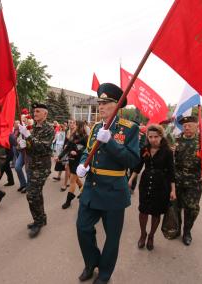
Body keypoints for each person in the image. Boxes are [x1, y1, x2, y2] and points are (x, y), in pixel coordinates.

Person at [75, 83, 140, 284]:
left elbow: (132, 161)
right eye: (99, 102)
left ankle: (104, 274)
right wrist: (81, 165)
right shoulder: (95, 127)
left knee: (112, 239)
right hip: (92, 189)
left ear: (117, 105)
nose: (101, 106)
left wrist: (110, 142)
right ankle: (91, 262)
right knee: (83, 228)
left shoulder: (130, 129)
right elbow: (88, 151)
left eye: (106, 103)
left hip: (113, 192)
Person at [129, 124, 176, 250]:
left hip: (161, 185)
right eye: (150, 137)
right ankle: (143, 234)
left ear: (161, 136)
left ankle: (151, 236)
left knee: (156, 213)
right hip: (145, 184)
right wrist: (131, 179)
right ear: (147, 137)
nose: (153, 139)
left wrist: (173, 190)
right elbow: (138, 166)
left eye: (156, 136)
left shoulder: (167, 151)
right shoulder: (145, 149)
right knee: (143, 211)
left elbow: (172, 172)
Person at [174, 116, 202, 246]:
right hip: (177, 180)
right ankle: (177, 228)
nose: (187, 127)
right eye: (184, 126)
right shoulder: (176, 140)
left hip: (194, 181)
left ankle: (187, 231)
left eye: (190, 125)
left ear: (197, 126)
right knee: (176, 207)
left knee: (192, 209)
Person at [18, 102, 55, 238]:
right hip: (32, 165)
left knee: (31, 195)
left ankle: (38, 222)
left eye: (38, 111)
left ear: (45, 114)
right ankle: (41, 218)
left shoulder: (49, 129)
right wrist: (23, 144)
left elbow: (42, 147)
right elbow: (31, 146)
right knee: (36, 194)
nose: (35, 113)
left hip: (42, 167)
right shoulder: (33, 128)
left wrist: (28, 136)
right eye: (34, 111)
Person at [57, 120, 87, 209]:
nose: (73, 125)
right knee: (73, 177)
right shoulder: (73, 135)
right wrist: (59, 157)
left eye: (75, 124)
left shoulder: (85, 137)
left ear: (80, 126)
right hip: (71, 160)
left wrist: (77, 152)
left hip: (79, 161)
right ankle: (83, 190)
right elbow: (68, 148)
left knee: (72, 180)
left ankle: (68, 201)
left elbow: (87, 149)